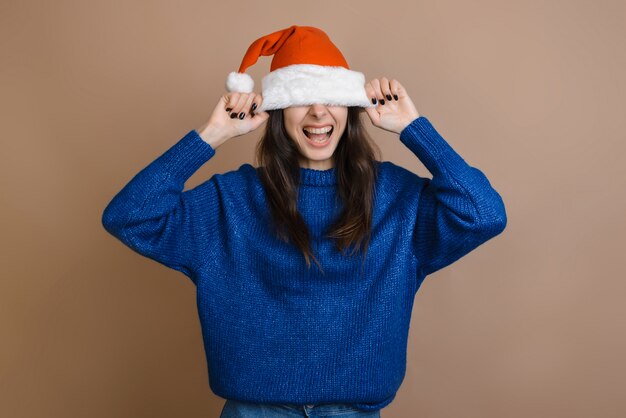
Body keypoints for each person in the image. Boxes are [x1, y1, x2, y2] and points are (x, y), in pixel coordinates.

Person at [101, 25, 507, 418]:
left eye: (330, 97)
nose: (318, 111)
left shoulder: (396, 197)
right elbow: (129, 216)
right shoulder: (232, 199)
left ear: (349, 107)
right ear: (278, 111)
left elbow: (484, 214)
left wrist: (413, 129)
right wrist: (212, 134)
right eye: (301, 99)